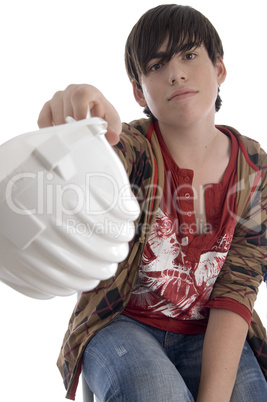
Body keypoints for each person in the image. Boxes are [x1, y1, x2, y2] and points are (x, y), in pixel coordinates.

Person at [38, 4, 267, 401]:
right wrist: (86, 112)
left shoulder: (255, 170)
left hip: (208, 329)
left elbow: (237, 290)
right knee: (156, 392)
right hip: (122, 323)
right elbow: (103, 154)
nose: (175, 72)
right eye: (157, 65)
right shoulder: (137, 150)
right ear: (138, 90)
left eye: (189, 56)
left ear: (220, 69)